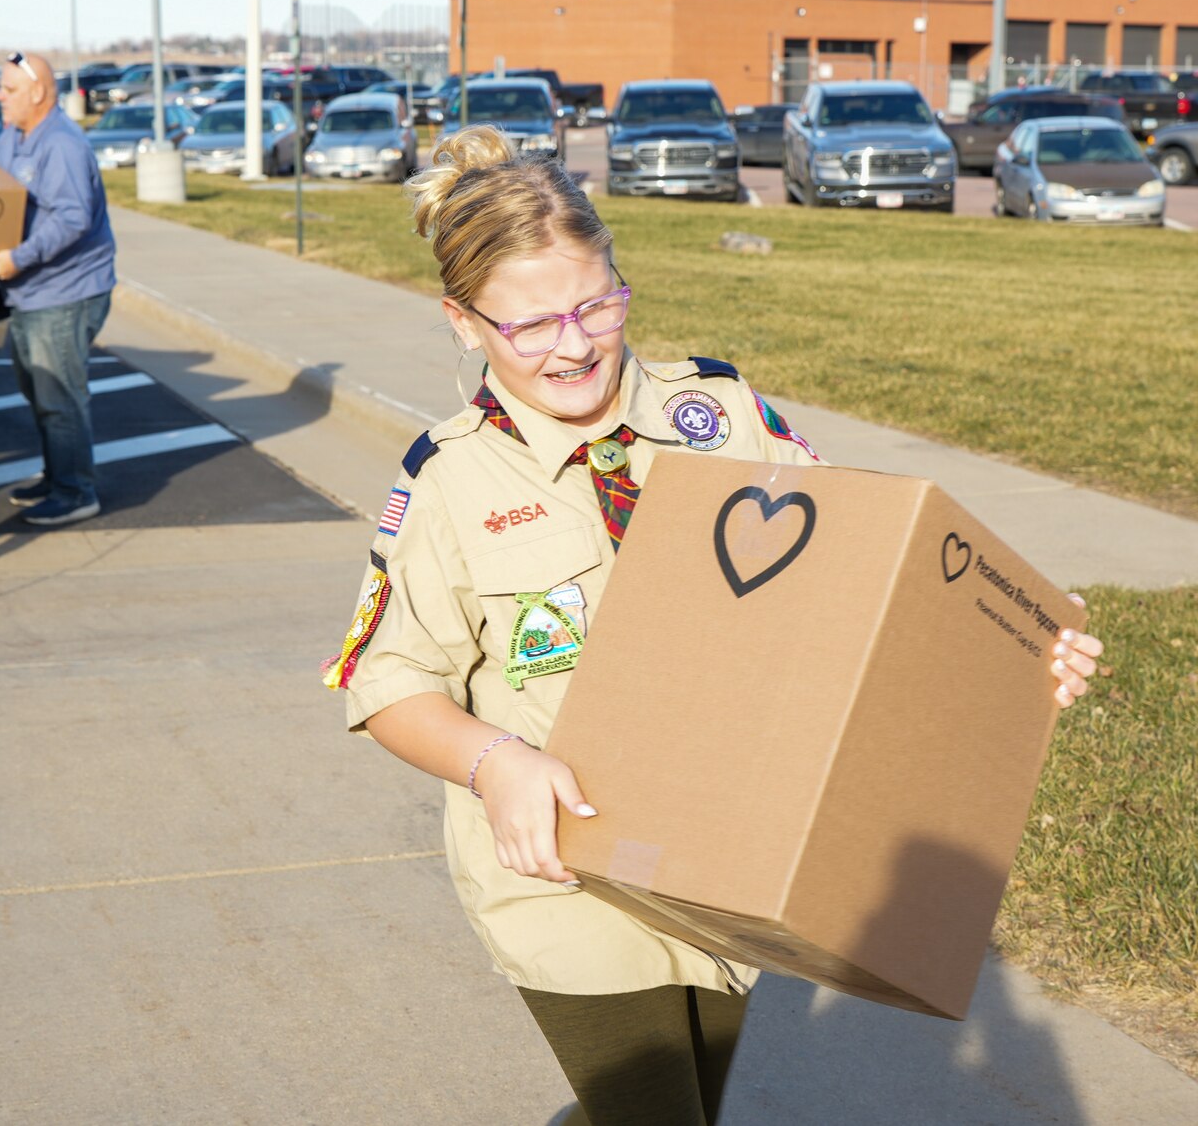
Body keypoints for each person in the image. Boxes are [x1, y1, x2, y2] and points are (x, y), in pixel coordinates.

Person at [327, 125, 1108, 1126]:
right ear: (462, 321)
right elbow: (384, 682)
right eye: (529, 325)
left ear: (620, 280)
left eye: (594, 304)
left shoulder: (722, 416)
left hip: (725, 857)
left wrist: (1016, 656)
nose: (572, 344)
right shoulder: (447, 480)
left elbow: (871, 576)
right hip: (560, 878)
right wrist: (492, 763)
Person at [0, 51, 116, 528]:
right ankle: (59, 474)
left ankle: (76, 491)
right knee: (37, 389)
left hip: (66, 291)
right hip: (32, 292)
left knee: (59, 396)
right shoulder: (15, 138)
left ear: (37, 93)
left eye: (9, 89)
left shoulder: (61, 144)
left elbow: (73, 218)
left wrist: (18, 257)